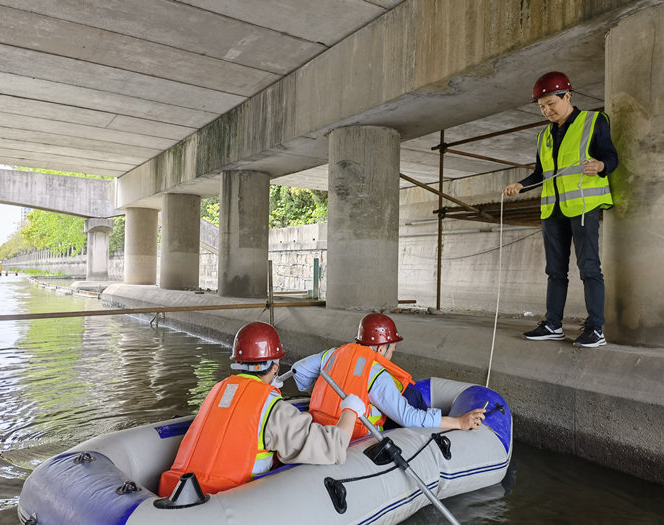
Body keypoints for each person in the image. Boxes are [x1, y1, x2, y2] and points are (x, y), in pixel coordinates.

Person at [158, 321, 365, 497]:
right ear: (275, 367)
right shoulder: (275, 410)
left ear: (238, 362)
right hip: (226, 503)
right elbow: (333, 447)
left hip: (179, 492)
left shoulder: (219, 391)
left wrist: (266, 390)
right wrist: (350, 410)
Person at [503, 71, 618, 348]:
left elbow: (611, 156)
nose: (547, 110)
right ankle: (553, 324)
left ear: (568, 96)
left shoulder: (593, 121)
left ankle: (595, 329)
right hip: (552, 211)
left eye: (551, 103)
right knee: (555, 271)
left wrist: (601, 166)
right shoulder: (544, 135)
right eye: (542, 106)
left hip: (582, 206)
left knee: (589, 268)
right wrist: (521, 184)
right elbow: (542, 174)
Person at [291, 313, 486, 441]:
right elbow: (408, 418)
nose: (392, 354)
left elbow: (298, 371)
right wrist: (459, 422)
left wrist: (325, 393)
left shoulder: (332, 354)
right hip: (354, 439)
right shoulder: (377, 375)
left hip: (320, 430)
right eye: (392, 349)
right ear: (382, 348)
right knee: (411, 395)